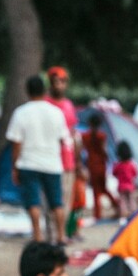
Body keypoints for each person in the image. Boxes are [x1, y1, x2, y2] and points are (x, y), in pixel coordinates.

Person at [5, 75, 70, 244]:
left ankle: (38, 236)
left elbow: (16, 143)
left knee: (33, 202)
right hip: (52, 163)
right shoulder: (56, 113)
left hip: (29, 163)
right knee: (57, 202)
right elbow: (64, 139)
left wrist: (14, 166)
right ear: (45, 89)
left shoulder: (21, 113)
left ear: (27, 91)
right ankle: (61, 235)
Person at [46, 66, 78, 221]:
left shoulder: (68, 105)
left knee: (66, 197)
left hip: (67, 159)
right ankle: (51, 234)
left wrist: (78, 161)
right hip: (49, 158)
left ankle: (62, 234)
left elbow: (73, 133)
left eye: (62, 81)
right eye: (56, 81)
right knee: (50, 198)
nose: (59, 85)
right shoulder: (45, 104)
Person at [81, 111, 119, 220]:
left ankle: (98, 214)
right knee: (103, 188)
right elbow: (104, 150)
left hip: (91, 165)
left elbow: (83, 149)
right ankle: (116, 205)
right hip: (101, 165)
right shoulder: (102, 136)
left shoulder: (85, 136)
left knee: (96, 191)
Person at [112, 140, 138, 220]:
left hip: (121, 186)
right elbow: (135, 173)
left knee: (122, 201)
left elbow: (114, 173)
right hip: (130, 185)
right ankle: (134, 214)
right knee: (131, 199)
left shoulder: (118, 165)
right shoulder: (131, 164)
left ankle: (123, 215)